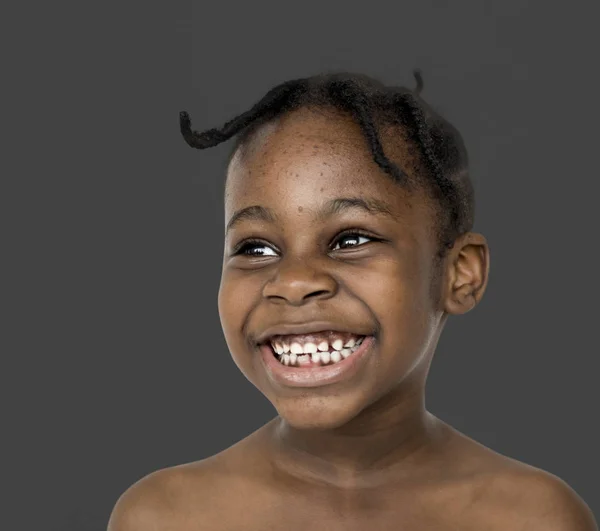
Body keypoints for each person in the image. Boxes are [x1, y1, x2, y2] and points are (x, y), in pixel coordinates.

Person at [108, 71, 597, 530]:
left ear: (459, 274)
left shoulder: (533, 519)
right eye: (256, 248)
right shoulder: (166, 517)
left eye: (350, 240)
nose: (294, 281)